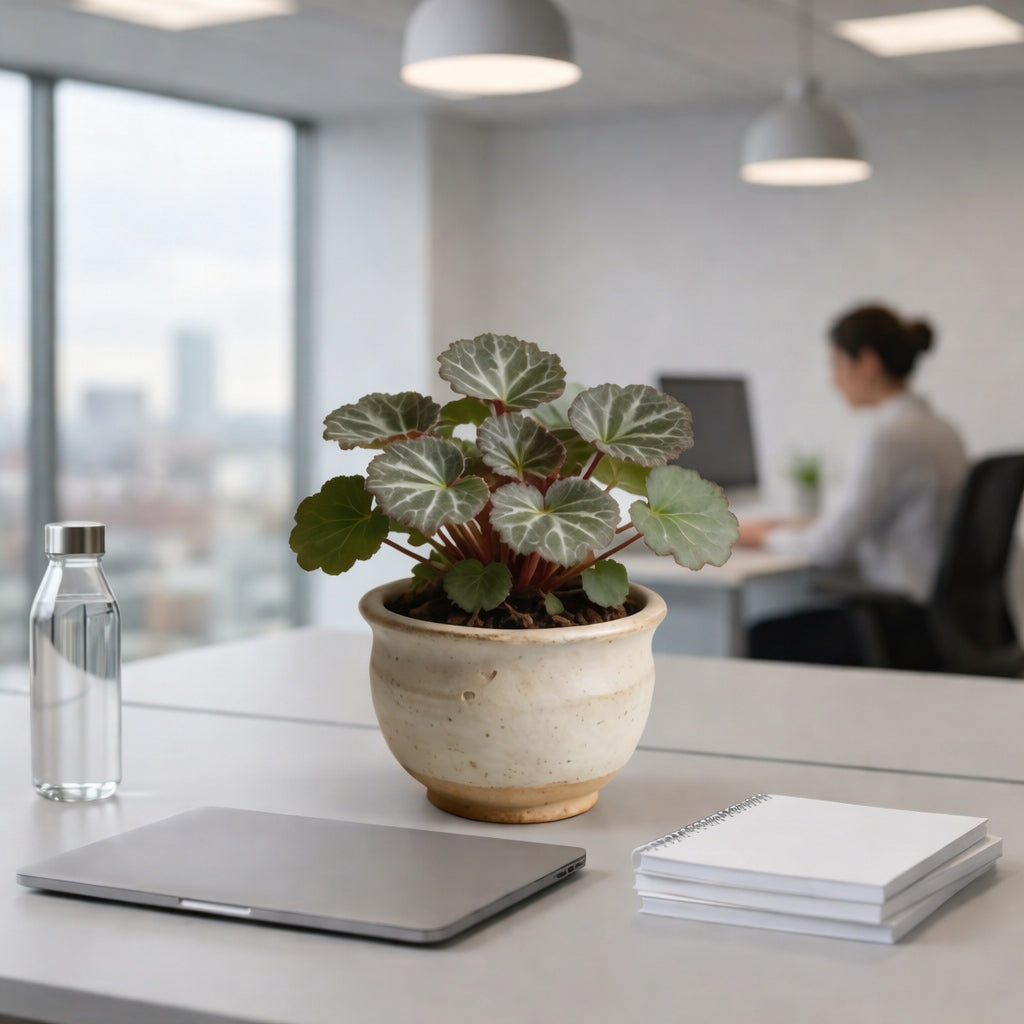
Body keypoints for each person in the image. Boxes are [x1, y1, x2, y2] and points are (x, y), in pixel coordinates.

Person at [738, 303, 967, 665]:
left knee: (748, 639)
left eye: (837, 364)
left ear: (867, 362)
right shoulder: (940, 430)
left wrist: (754, 536)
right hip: (942, 622)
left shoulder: (890, 435)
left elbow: (832, 546)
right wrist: (794, 526)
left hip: (897, 624)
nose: (834, 379)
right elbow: (877, 522)